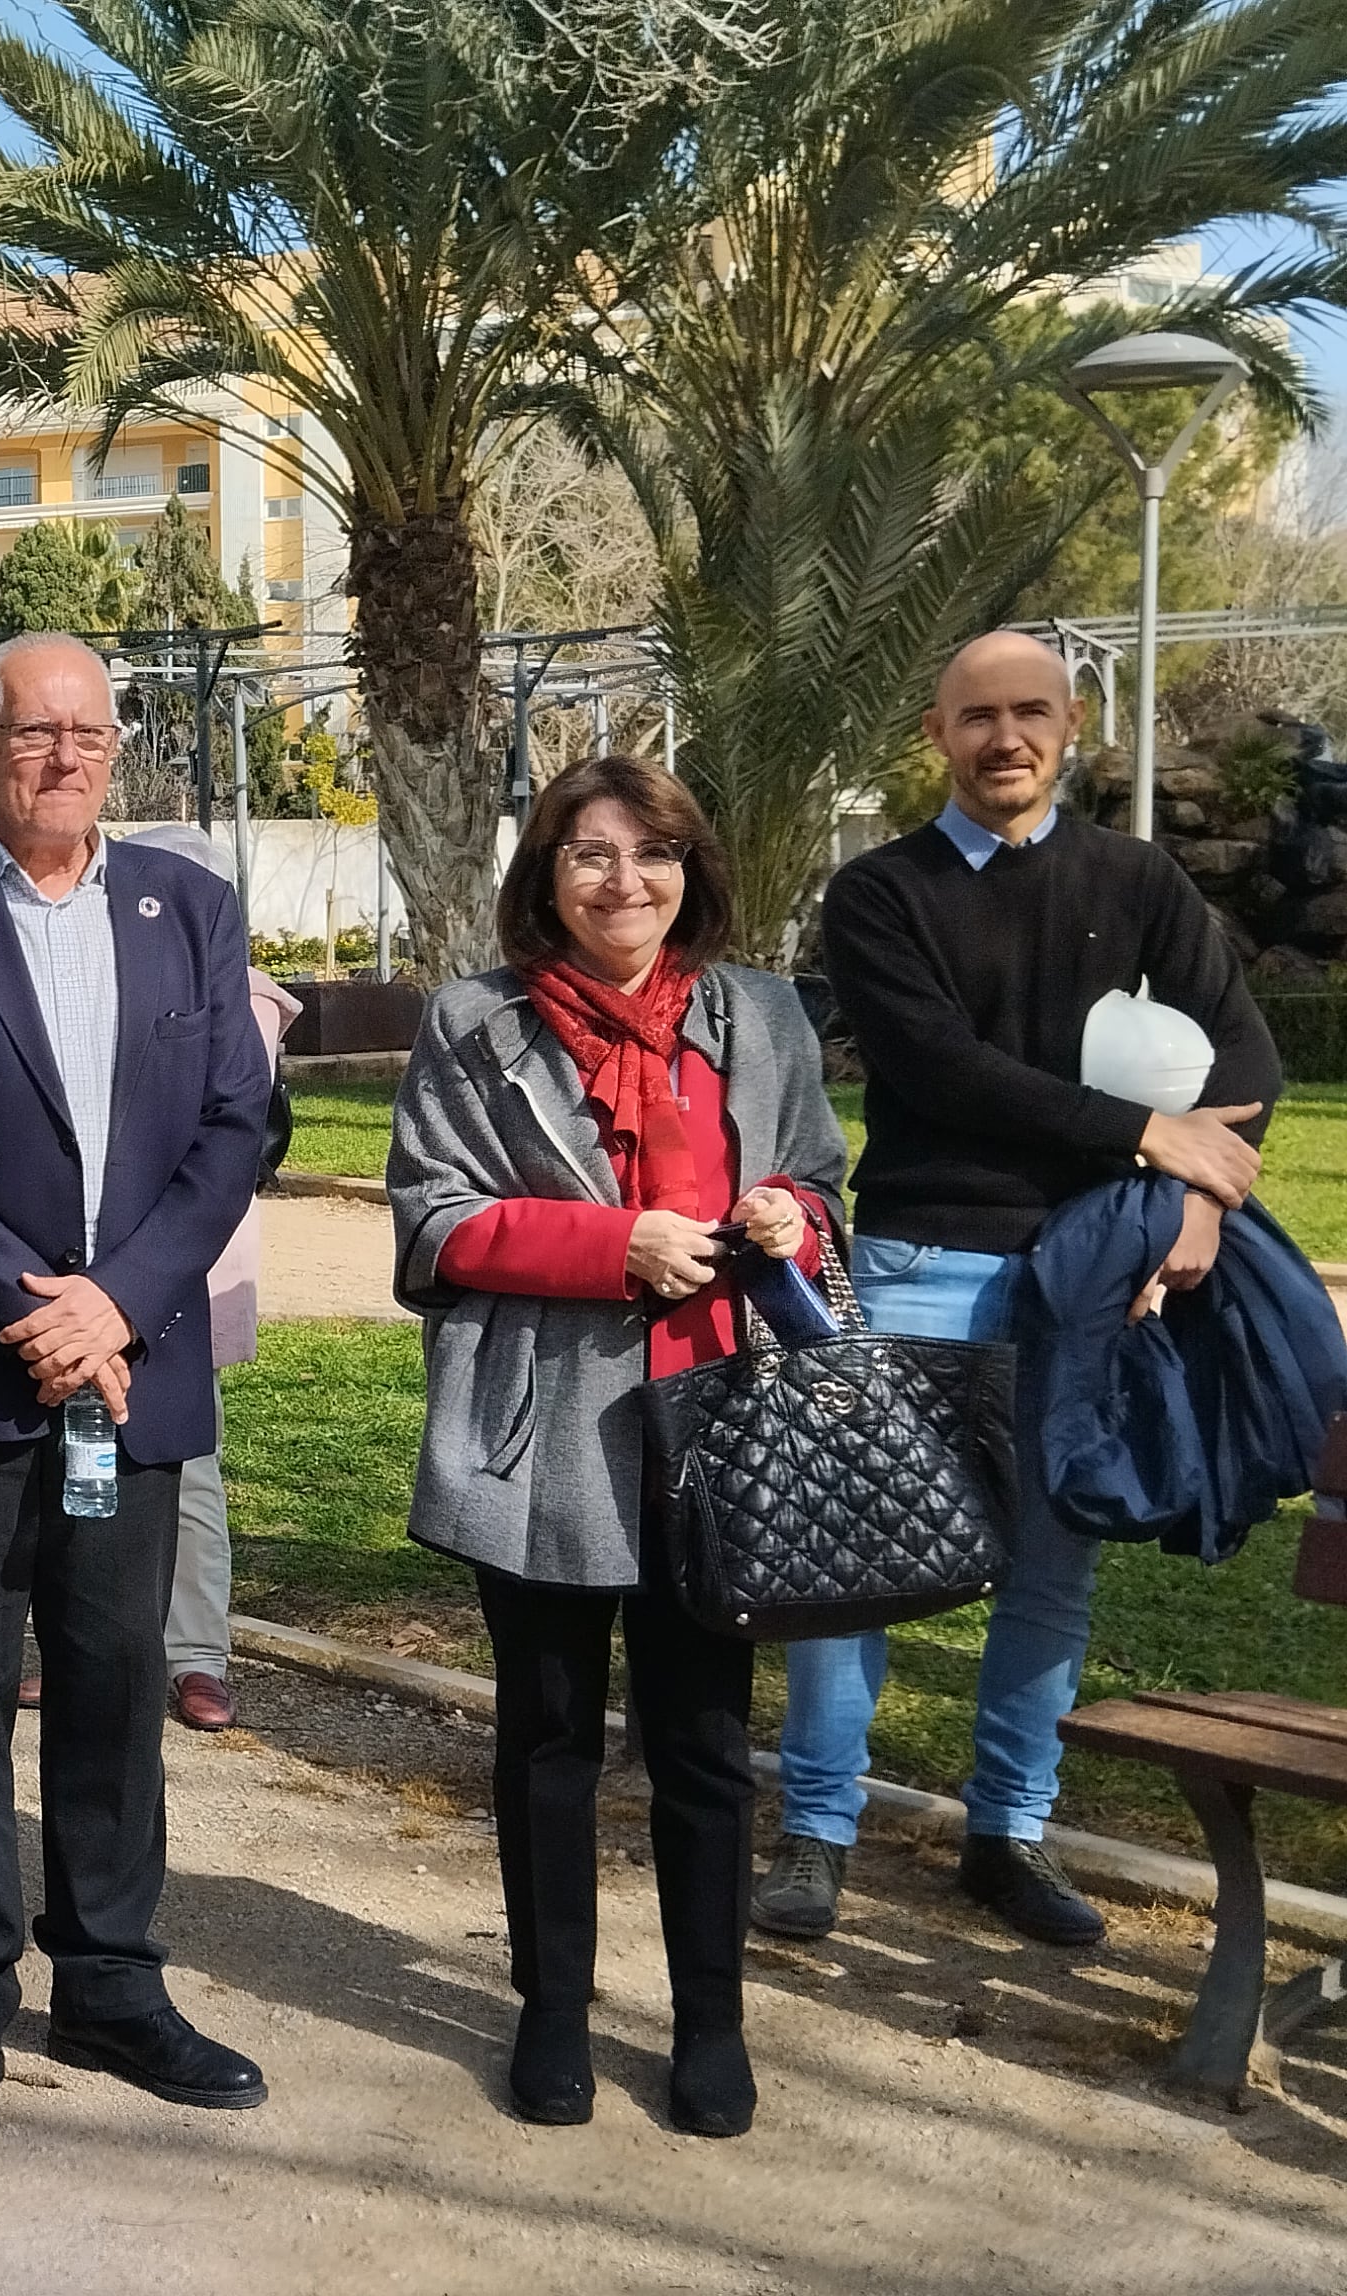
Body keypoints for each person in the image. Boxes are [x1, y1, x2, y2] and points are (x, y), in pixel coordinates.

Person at [760, 630, 1282, 1950]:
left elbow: (1247, 1052)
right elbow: (938, 1068)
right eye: (979, 715)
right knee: (862, 1559)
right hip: (928, 1260)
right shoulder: (880, 892)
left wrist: (1206, 1200)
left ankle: (1008, 1833)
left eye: (1031, 712)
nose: (1007, 737)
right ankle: (816, 1832)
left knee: (1052, 1573)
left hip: (1096, 1276)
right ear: (936, 733)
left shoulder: (1138, 878)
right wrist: (1148, 1136)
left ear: (1070, 726)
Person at [0, 634, 278, 2147]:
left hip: (131, 1364)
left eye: (90, 731)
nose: (65, 756)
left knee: (114, 1686)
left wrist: (120, 1303)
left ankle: (111, 1979)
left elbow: (236, 1125)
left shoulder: (189, 906)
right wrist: (29, 1307)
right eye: (32, 733)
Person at [388, 757, 845, 2137]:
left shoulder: (759, 1015)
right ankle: (550, 2013)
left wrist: (785, 1216)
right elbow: (432, 1222)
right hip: (545, 1433)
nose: (623, 881)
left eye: (652, 852)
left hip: (718, 1429)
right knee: (548, 1742)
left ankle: (710, 2022)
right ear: (547, 875)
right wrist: (611, 1245)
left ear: (693, 867)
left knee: (706, 1742)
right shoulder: (474, 1023)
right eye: (590, 853)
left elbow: (823, 1181)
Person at [117, 825, 305, 1734]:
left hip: (189, 1265)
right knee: (73, 1463)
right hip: (86, 1269)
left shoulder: (248, 1003)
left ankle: (195, 1653)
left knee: (188, 1466)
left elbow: (203, 1130)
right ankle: (89, 1644)